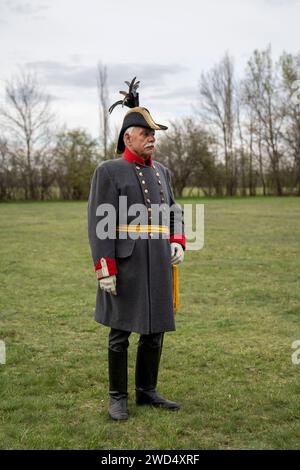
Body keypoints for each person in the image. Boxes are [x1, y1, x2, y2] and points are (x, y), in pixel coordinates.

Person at [87, 78, 185, 421]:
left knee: (155, 329)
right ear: (128, 137)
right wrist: (105, 268)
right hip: (125, 264)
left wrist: (177, 240)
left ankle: (146, 391)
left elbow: (174, 211)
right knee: (120, 332)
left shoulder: (162, 172)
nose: (153, 138)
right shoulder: (109, 171)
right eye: (146, 133)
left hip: (157, 262)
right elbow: (99, 223)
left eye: (154, 133)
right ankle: (118, 397)